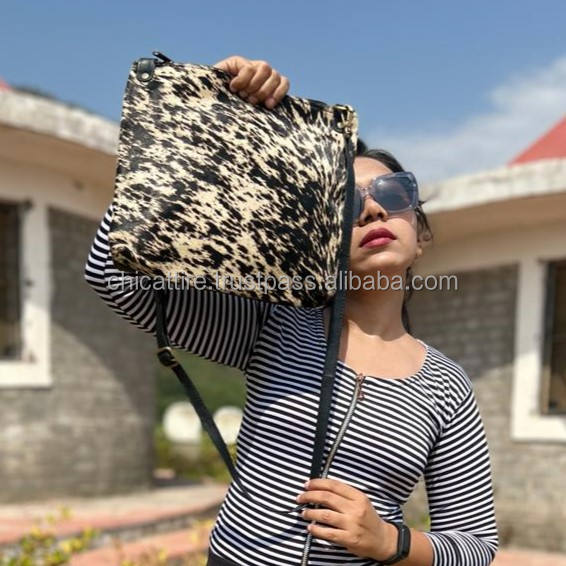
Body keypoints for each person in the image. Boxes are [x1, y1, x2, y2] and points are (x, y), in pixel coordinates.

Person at [84, 56, 499, 566]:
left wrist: (390, 541)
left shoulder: (447, 386)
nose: (373, 210)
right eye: (345, 204)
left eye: (394, 194)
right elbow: (112, 276)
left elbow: (477, 546)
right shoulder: (276, 325)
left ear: (421, 236)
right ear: (322, 238)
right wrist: (218, 122)